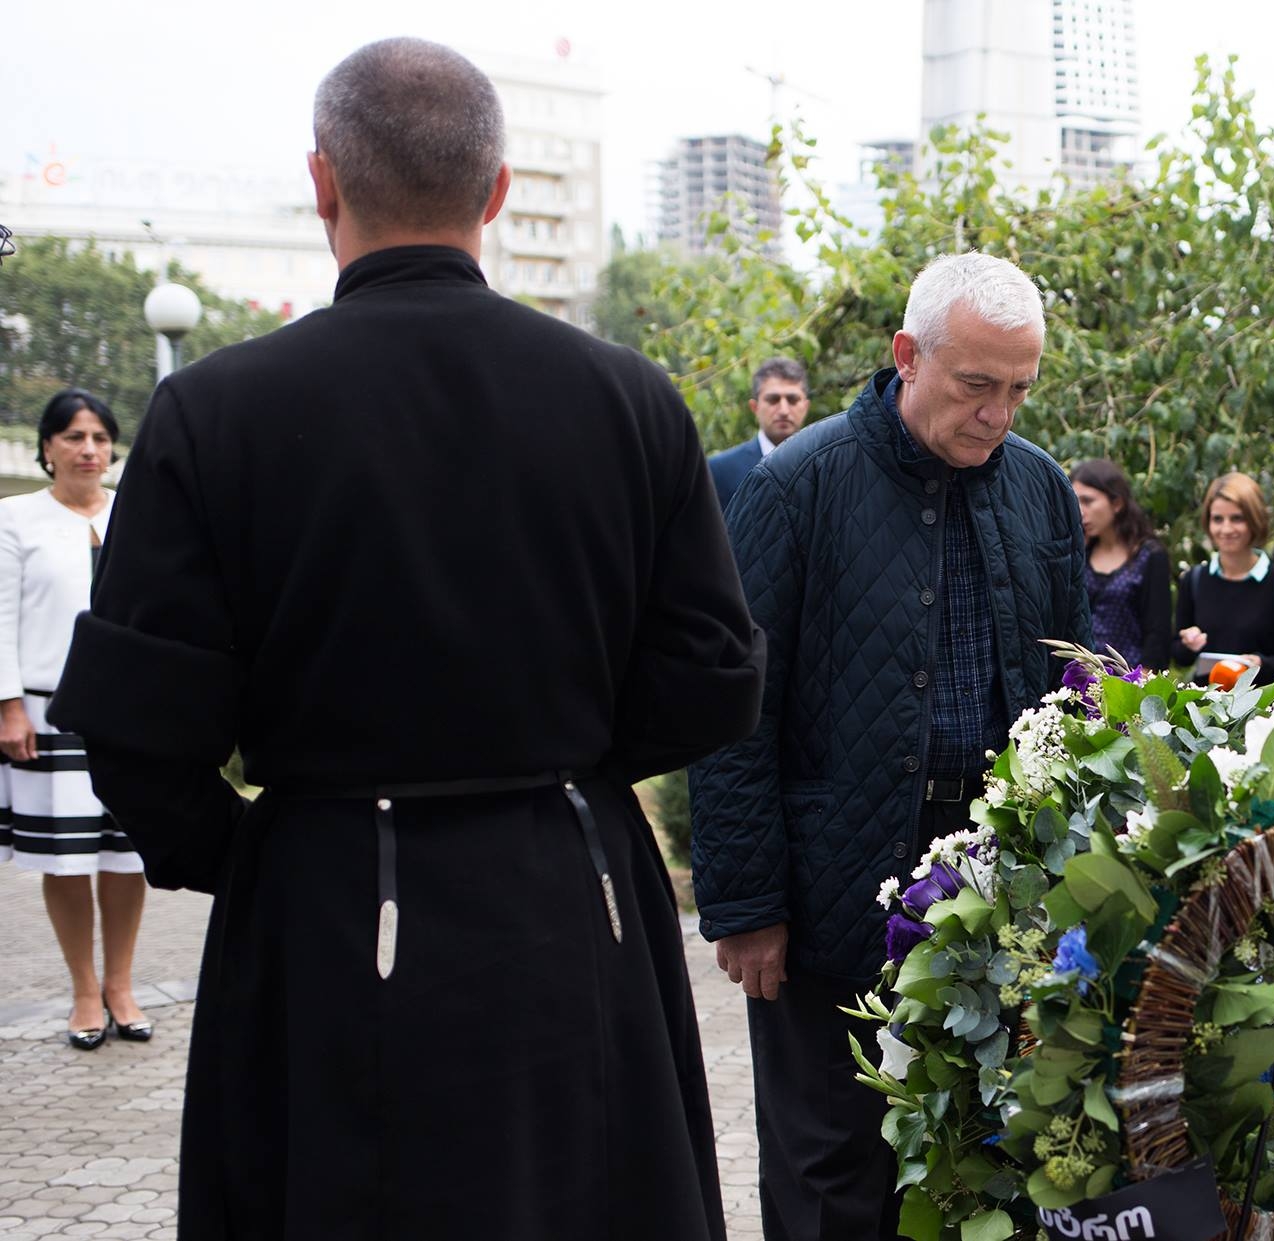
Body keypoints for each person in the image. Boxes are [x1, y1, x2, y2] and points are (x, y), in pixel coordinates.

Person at [48, 39, 764, 1241]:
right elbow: (713, 681)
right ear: (494, 192)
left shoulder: (213, 410)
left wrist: (260, 851)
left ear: (323, 182)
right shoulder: (626, 398)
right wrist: (566, 747)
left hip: (322, 902)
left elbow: (135, 726)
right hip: (566, 885)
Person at [689, 252, 1092, 1241]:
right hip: (835, 908)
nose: (998, 413)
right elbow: (733, 716)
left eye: (1019, 389)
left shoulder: (1039, 492)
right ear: (906, 356)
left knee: (983, 1168)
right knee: (833, 1173)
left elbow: (1070, 697)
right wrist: (746, 906)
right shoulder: (797, 489)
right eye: (976, 385)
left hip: (998, 906)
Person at [0, 389, 152, 1050]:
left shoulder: (139, 515)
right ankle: (84, 991)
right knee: (65, 859)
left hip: (132, 712)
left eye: (98, 436)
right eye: (72, 436)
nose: (88, 449)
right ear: (47, 448)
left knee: (128, 855)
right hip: (46, 708)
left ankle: (122, 984)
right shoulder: (14, 519)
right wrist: (7, 704)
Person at [1172, 472, 1274, 686]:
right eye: (1218, 519)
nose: (1226, 529)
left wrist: (1262, 663)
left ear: (1254, 520)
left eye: (1237, 518)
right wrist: (1189, 644)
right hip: (1204, 709)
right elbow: (1179, 656)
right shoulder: (1195, 580)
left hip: (1261, 709)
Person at [1070, 457, 1171, 671]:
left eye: (1088, 501)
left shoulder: (1149, 556)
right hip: (1084, 680)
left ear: (1116, 503)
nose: (1080, 511)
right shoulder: (1080, 553)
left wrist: (1143, 683)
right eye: (1075, 501)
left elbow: (1158, 633)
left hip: (1131, 680)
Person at [708, 357, 812, 508]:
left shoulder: (825, 467)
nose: (783, 410)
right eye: (773, 400)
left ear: (805, 406)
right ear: (754, 407)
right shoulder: (720, 471)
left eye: (792, 400)